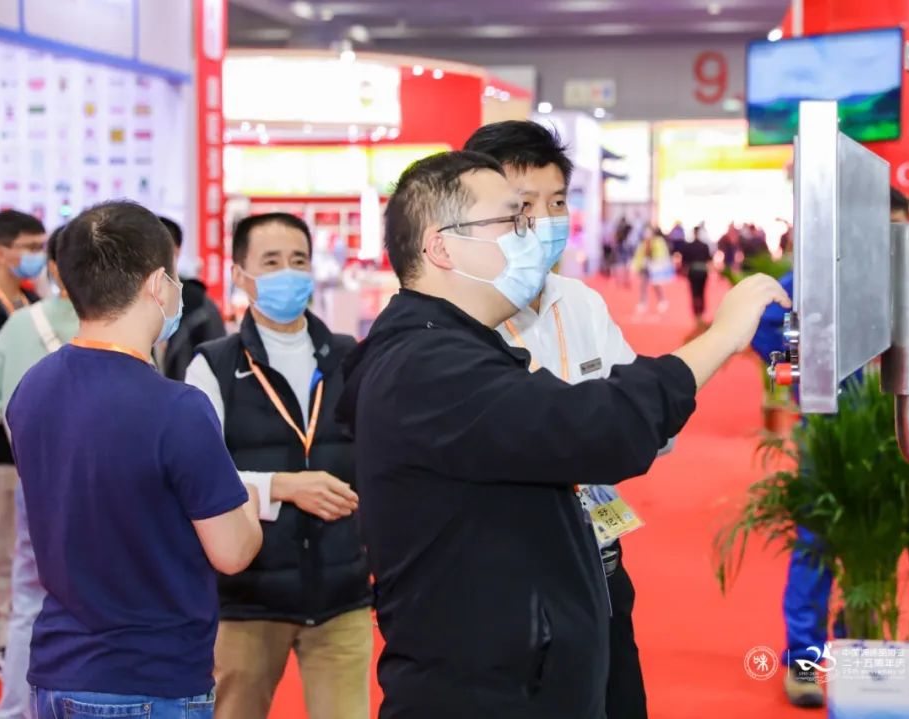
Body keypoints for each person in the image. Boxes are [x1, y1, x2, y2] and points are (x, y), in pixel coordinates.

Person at [336, 150, 790, 718]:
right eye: (512, 220)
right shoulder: (427, 367)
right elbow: (596, 426)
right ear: (441, 247)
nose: (531, 234)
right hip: (487, 693)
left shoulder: (451, 347)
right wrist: (722, 337)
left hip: (519, 673)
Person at [6, 201, 263, 719]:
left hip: (56, 671)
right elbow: (233, 551)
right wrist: (252, 501)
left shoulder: (33, 387)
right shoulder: (178, 408)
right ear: (157, 285)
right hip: (150, 678)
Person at [465, 120, 668, 719]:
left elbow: (647, 421)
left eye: (557, 202)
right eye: (524, 204)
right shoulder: (455, 319)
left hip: (598, 558)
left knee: (616, 697)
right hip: (502, 582)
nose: (546, 219)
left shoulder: (580, 302)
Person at [752, 186, 909, 707]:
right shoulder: (820, 277)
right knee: (817, 540)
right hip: (835, 433)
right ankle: (804, 659)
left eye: (896, 225)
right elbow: (767, 325)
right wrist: (806, 368)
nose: (885, 236)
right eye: (875, 225)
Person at [186, 213, 371, 719]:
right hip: (249, 597)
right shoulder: (213, 365)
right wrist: (280, 486)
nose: (288, 273)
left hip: (342, 594)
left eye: (298, 261)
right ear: (240, 275)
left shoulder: (349, 357)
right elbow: (198, 478)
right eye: (271, 262)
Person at [0, 227, 79, 719]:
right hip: (101, 483)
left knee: (27, 597)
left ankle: (15, 710)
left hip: (33, 477)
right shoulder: (119, 323)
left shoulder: (19, 323)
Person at [0, 210, 46, 679]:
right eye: (31, 247)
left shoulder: (34, 302)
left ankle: (20, 634)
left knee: (31, 553)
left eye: (42, 247)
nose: (39, 256)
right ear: (0, 252)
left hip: (38, 451)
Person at [158, 217, 226, 381]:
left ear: (176, 250)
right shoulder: (124, 302)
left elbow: (221, 364)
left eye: (158, 248)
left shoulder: (200, 307)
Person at [631, 225, 671, 313]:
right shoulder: (643, 244)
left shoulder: (658, 242)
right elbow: (638, 256)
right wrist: (637, 266)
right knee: (643, 285)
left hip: (655, 267)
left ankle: (662, 301)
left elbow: (662, 254)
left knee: (656, 285)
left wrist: (655, 261)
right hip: (645, 267)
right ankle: (642, 303)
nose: (647, 234)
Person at [680, 226, 713, 326]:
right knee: (701, 293)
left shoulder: (689, 246)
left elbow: (684, 261)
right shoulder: (704, 246)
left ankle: (697, 314)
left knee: (695, 293)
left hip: (693, 272)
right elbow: (709, 259)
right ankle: (700, 313)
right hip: (702, 272)